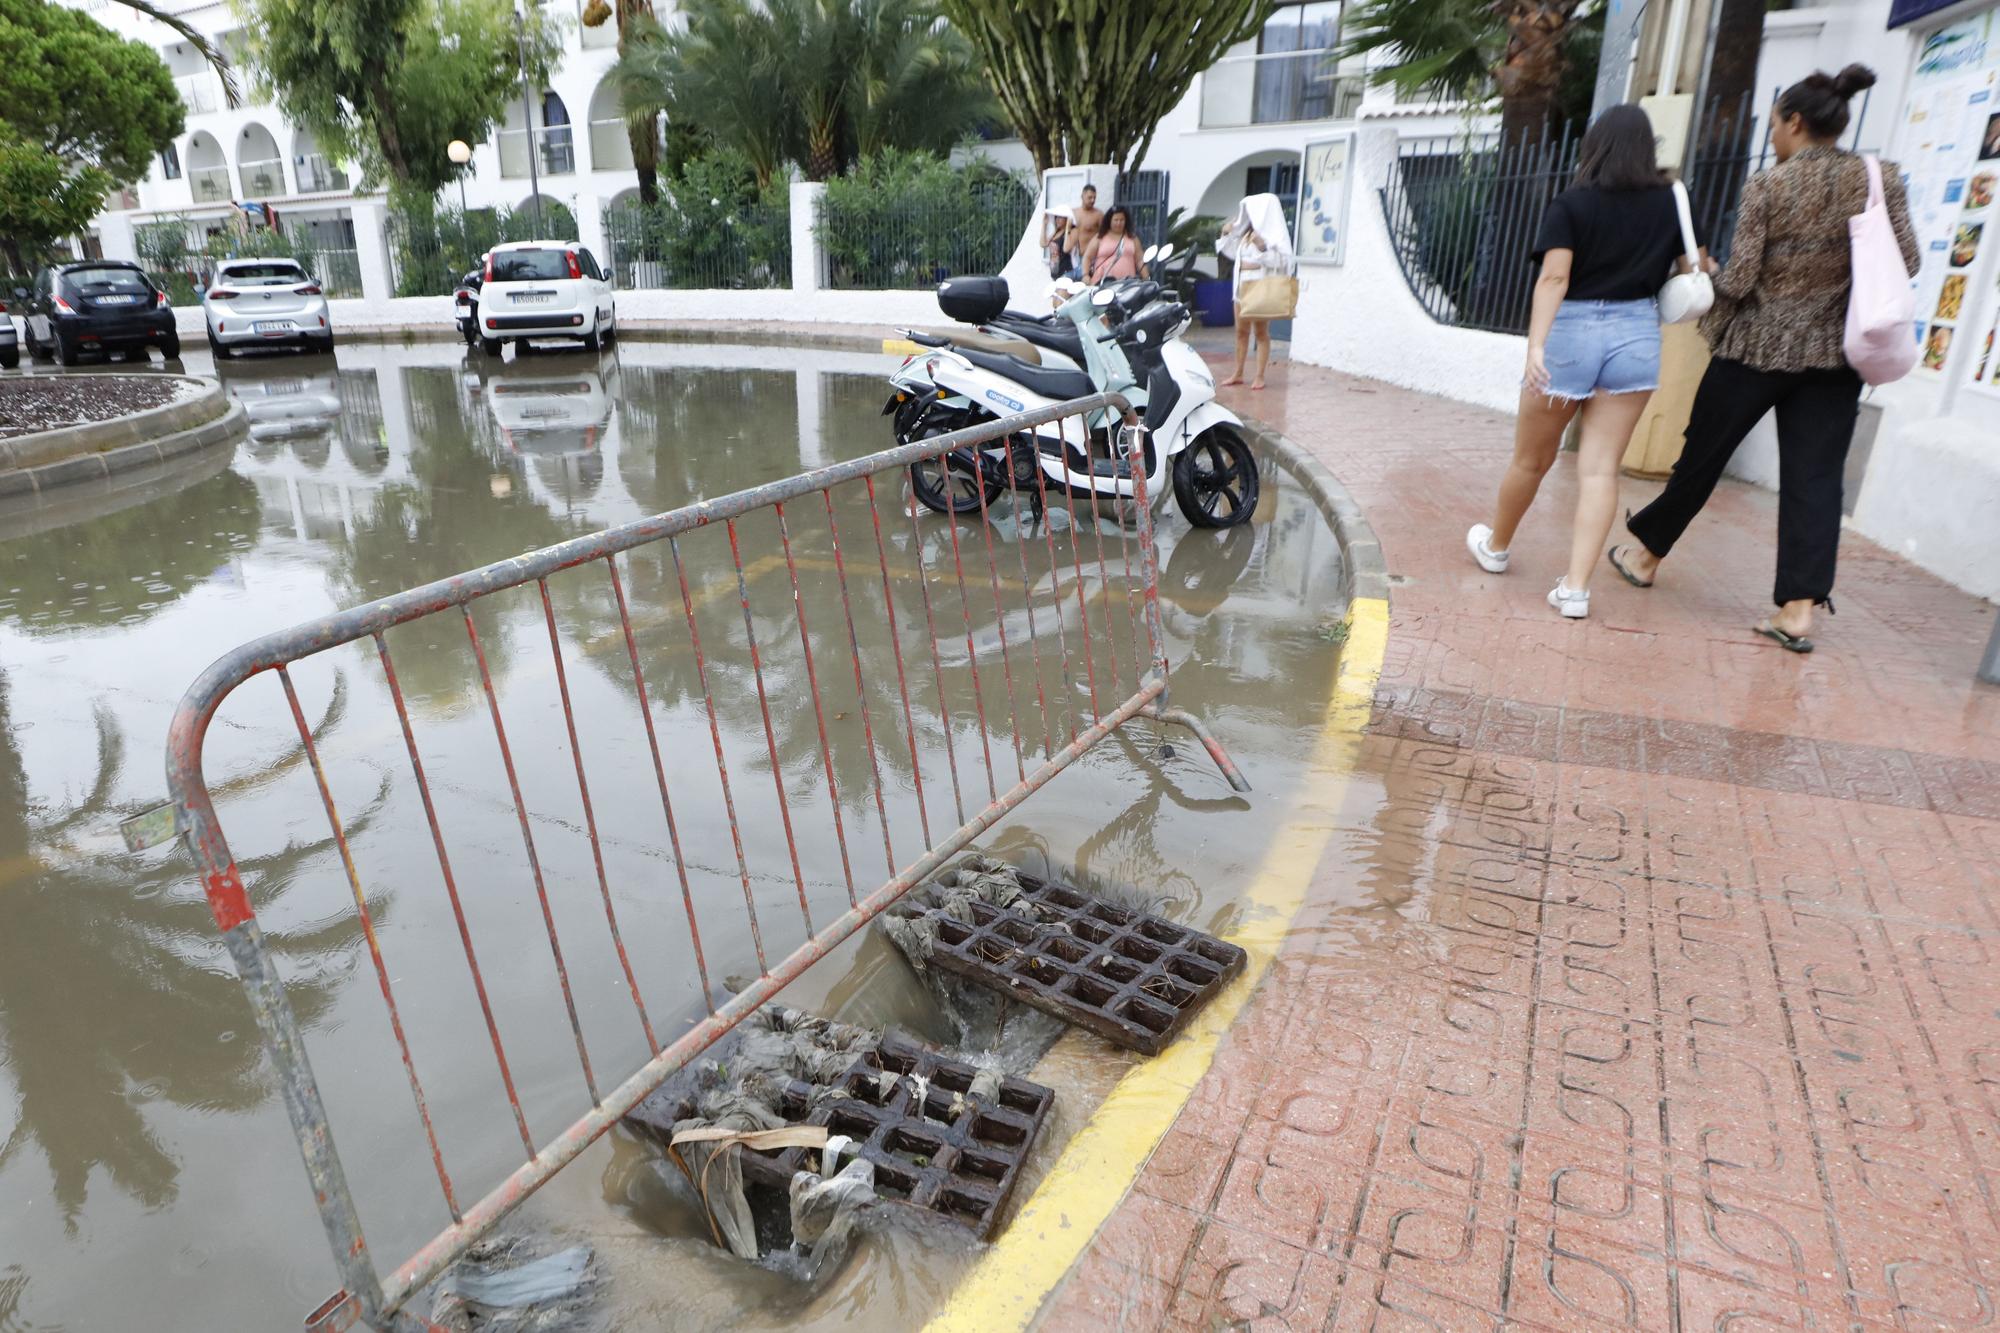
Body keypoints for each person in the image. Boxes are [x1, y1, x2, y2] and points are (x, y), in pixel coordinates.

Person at [1611, 65, 1918, 653]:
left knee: (1701, 459)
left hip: (1753, 349)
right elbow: (1905, 259)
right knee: (1816, 478)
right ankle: (1797, 610)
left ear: (1795, 122)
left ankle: (1646, 557)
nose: (1772, 134)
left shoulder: (1769, 186)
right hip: (1835, 358)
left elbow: (1745, 275)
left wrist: (1710, 276)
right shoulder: (1882, 178)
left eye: (1775, 122)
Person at [1465, 103, 1703, 619]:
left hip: (1571, 333)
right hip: (1637, 333)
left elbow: (1553, 279)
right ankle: (1575, 589)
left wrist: (1535, 346)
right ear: (1647, 149)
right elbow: (1695, 269)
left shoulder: (1572, 204)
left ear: (1593, 146)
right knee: (1599, 471)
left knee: (1531, 459)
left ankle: (1497, 547)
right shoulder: (1670, 201)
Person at [1218, 193, 1294, 391]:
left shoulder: (1273, 235)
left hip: (1259, 287)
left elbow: (1284, 262)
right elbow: (1229, 252)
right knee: (1241, 332)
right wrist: (1226, 233)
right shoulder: (1244, 234)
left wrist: (1262, 247)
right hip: (1241, 287)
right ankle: (1239, 372)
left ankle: (1260, 375)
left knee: (1261, 332)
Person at [1086, 205, 1147, 284]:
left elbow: (1140, 261)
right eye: (1116, 220)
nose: (1119, 223)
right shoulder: (1099, 237)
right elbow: (1087, 257)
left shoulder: (1133, 238)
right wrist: (1085, 275)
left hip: (1127, 284)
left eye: (1122, 220)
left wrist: (1146, 279)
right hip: (1102, 283)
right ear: (1109, 221)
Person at [1066, 184, 1104, 280]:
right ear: (1082, 196)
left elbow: (1104, 236)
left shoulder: (1098, 215)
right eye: (1090, 197)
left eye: (1094, 198)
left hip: (1091, 258)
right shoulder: (1073, 213)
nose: (1092, 200)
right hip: (1074, 257)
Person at [1042, 205, 1073, 279]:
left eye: (1060, 217)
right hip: (1055, 272)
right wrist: (1044, 225)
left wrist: (1068, 228)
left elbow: (1066, 249)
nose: (1057, 220)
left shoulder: (1069, 233)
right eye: (1056, 217)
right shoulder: (1056, 232)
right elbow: (1043, 244)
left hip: (1065, 272)